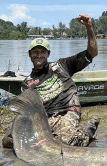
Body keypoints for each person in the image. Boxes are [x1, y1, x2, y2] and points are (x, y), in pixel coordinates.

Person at [2, 14, 99, 148]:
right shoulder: (27, 83)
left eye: (43, 52)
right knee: (9, 142)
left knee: (66, 143)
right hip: (44, 119)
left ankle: (89, 129)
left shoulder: (62, 65)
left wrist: (89, 27)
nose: (39, 55)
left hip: (67, 112)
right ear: (30, 55)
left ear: (48, 54)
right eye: (35, 52)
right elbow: (29, 111)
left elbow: (92, 53)